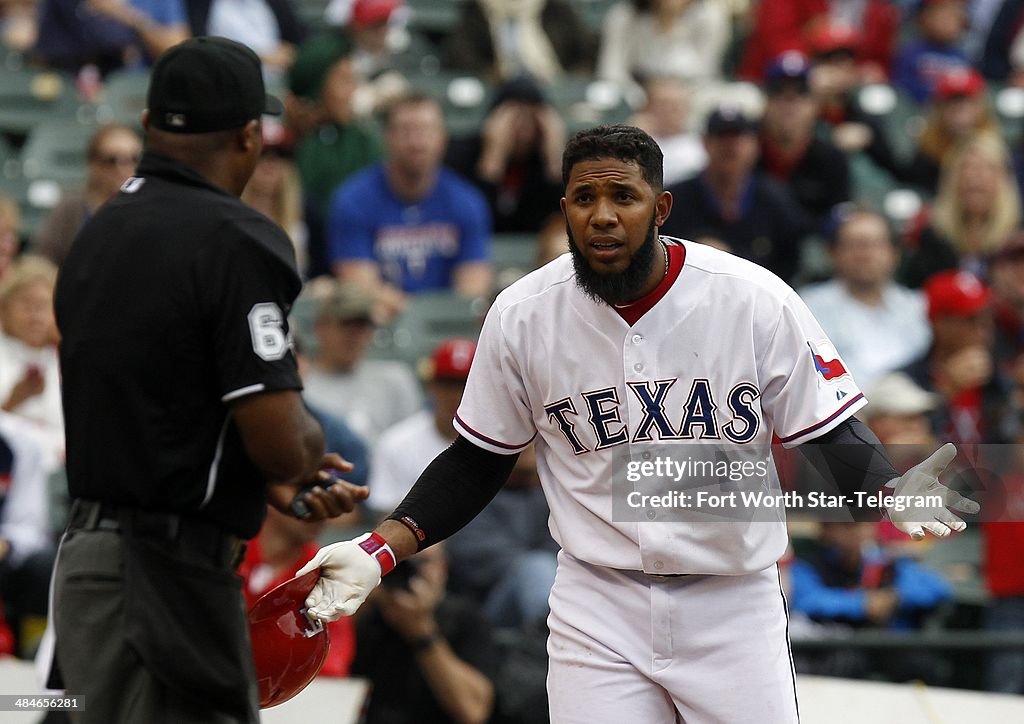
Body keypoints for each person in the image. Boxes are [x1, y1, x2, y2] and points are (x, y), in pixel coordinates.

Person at [297, 125, 979, 723]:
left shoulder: (751, 298)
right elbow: (477, 457)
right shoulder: (522, 314)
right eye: (585, 199)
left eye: (622, 196)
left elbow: (824, 427)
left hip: (732, 601)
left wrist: (890, 488)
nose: (602, 215)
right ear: (564, 209)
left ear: (660, 206)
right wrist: (379, 549)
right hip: (599, 601)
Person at [48, 37, 368, 723]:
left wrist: (250, 473)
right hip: (167, 572)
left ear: (148, 126)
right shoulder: (237, 238)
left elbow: (162, 403)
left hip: (86, 562)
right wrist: (301, 458)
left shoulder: (99, 233)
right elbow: (283, 442)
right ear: (251, 135)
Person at [327, 91, 494, 315]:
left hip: (445, 326)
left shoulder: (467, 202)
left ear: (442, 138)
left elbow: (472, 289)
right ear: (387, 137)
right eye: (405, 131)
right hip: (378, 328)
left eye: (426, 131)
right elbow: (359, 287)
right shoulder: (353, 200)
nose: (416, 142)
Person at [350, 543, 500, 724]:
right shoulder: (366, 615)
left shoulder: (467, 619)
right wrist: (358, 602)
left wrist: (421, 631)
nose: (410, 571)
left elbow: (473, 712)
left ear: (442, 567)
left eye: (423, 562)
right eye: (399, 563)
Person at [789, 521, 953, 683]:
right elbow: (805, 600)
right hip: (837, 645)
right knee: (842, 662)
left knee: (919, 664)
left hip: (886, 643)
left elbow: (937, 589)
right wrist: (862, 604)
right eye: (847, 527)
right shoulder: (809, 563)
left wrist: (896, 596)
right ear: (826, 530)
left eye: (864, 525)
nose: (859, 533)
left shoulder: (886, 559)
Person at [661, 103, 807, 282]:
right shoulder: (675, 199)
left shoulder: (776, 199)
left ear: (754, 144)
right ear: (705, 143)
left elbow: (791, 263)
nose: (730, 146)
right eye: (721, 137)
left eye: (738, 137)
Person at [799, 205, 931, 392]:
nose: (865, 255)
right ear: (832, 253)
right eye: (853, 245)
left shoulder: (917, 306)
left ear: (895, 254)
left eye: (875, 244)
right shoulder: (808, 307)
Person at [301, 278, 423, 444]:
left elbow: (414, 446)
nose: (354, 335)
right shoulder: (303, 387)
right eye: (345, 324)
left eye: (362, 325)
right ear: (320, 326)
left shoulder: (395, 379)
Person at [30, 123, 143, 268]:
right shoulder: (69, 208)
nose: (123, 168)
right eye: (111, 160)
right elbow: (41, 264)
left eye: (132, 159)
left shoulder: (147, 208)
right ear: (92, 164)